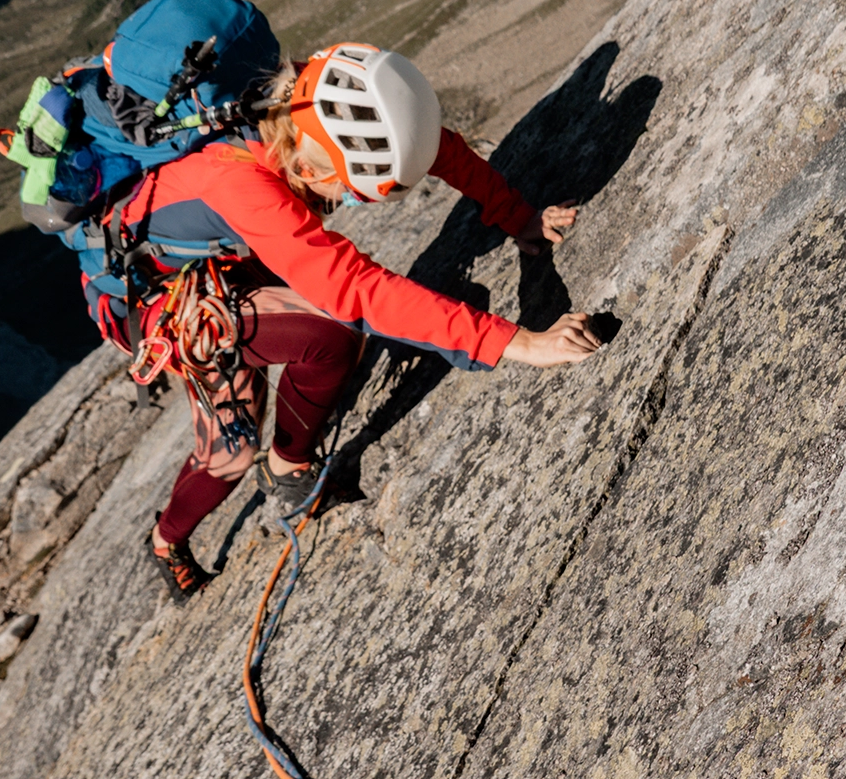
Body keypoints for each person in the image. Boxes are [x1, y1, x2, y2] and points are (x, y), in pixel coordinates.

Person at [78, 41, 600, 597]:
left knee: (316, 330)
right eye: (349, 193)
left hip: (228, 249)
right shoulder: (241, 178)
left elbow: (433, 146)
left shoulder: (321, 100)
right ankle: (167, 540)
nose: (351, 204)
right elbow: (355, 290)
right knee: (242, 434)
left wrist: (516, 217)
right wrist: (518, 342)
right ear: (305, 167)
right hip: (155, 294)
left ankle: (286, 464)